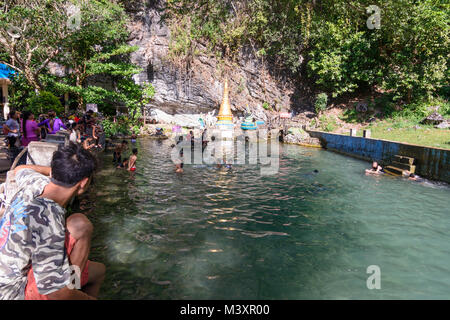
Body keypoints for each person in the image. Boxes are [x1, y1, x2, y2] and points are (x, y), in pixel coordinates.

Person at [0, 143, 105, 300]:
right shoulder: (48, 222)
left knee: (98, 270)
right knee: (81, 224)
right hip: (13, 292)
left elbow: (20, 169)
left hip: (6, 272)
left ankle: (74, 284)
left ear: (54, 170)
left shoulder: (35, 184)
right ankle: (74, 287)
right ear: (83, 183)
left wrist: (57, 171)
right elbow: (56, 293)